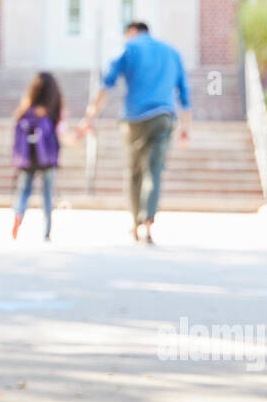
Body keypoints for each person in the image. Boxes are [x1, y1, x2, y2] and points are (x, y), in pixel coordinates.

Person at [80, 21, 190, 244]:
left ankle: (135, 223)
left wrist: (90, 117)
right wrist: (186, 128)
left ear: (131, 32)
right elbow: (184, 94)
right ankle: (148, 222)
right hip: (163, 116)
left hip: (135, 118)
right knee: (155, 171)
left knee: (134, 171)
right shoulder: (172, 52)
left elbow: (106, 83)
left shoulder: (128, 49)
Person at [10, 72, 83, 241]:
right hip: (48, 157)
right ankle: (46, 231)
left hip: (27, 157)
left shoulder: (26, 110)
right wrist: (76, 139)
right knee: (48, 194)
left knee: (24, 190)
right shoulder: (55, 110)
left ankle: (18, 216)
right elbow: (62, 133)